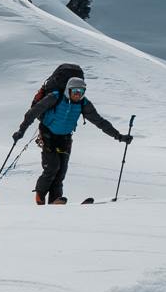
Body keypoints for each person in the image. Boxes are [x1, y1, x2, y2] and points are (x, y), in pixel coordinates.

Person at [11, 75, 131, 205]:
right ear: (68, 89)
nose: (78, 94)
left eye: (82, 91)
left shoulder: (84, 104)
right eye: (75, 91)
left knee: (60, 173)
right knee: (51, 168)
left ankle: (55, 203)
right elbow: (32, 113)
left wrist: (119, 136)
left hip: (65, 138)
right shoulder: (55, 97)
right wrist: (21, 131)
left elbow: (100, 122)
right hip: (48, 135)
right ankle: (40, 197)